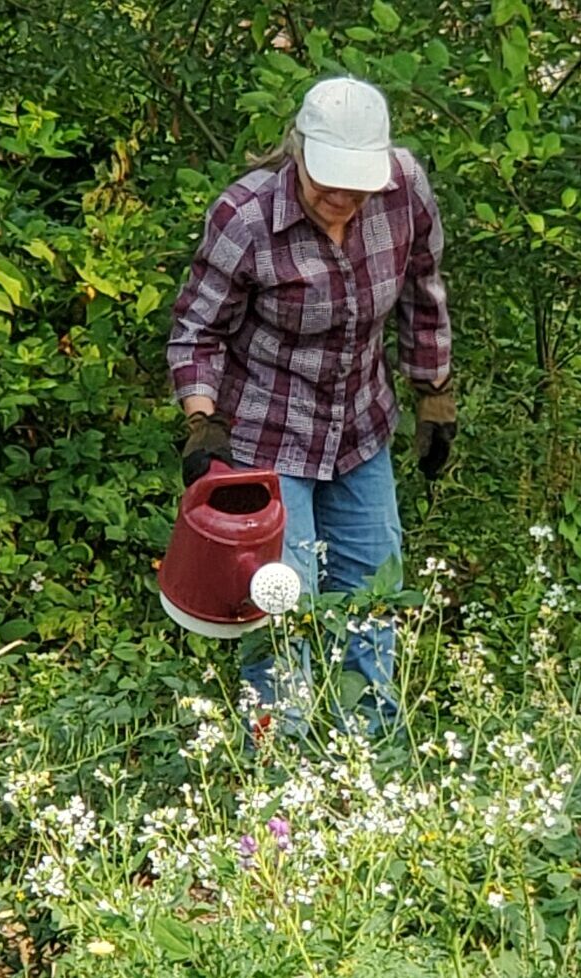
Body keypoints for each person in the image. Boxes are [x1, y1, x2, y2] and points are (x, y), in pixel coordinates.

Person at [166, 76, 455, 731]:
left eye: (356, 182)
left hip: (360, 425)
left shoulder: (404, 191)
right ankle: (279, 762)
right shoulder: (245, 217)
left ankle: (370, 748)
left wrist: (434, 393)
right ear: (297, 152)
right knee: (280, 597)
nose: (342, 197)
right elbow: (197, 329)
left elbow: (423, 292)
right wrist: (202, 420)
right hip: (267, 430)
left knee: (374, 588)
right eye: (328, 180)